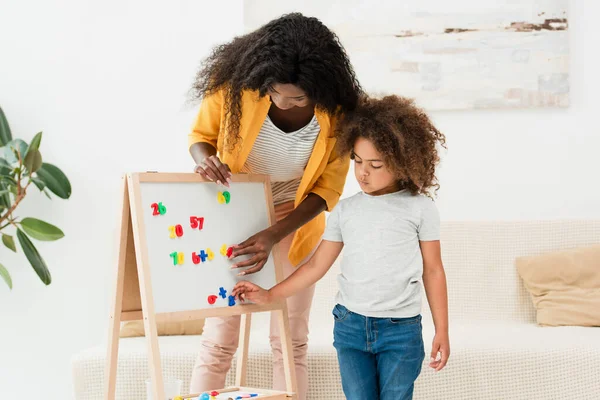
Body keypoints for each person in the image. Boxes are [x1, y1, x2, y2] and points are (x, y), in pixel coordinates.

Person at [187, 12, 362, 399]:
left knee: (289, 336)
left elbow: (326, 191)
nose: (284, 102)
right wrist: (204, 158)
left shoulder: (339, 114)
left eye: (297, 98)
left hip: (294, 218)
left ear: (320, 88)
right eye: (276, 94)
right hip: (236, 208)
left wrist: (272, 235)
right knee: (219, 337)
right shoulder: (236, 88)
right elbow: (202, 136)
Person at [233, 95, 450, 400]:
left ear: (403, 162)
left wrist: (442, 330)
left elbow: (433, 270)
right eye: (358, 161)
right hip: (350, 327)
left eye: (375, 165)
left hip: (401, 332)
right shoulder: (345, 210)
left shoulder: (420, 208)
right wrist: (271, 294)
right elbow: (314, 266)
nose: (363, 173)